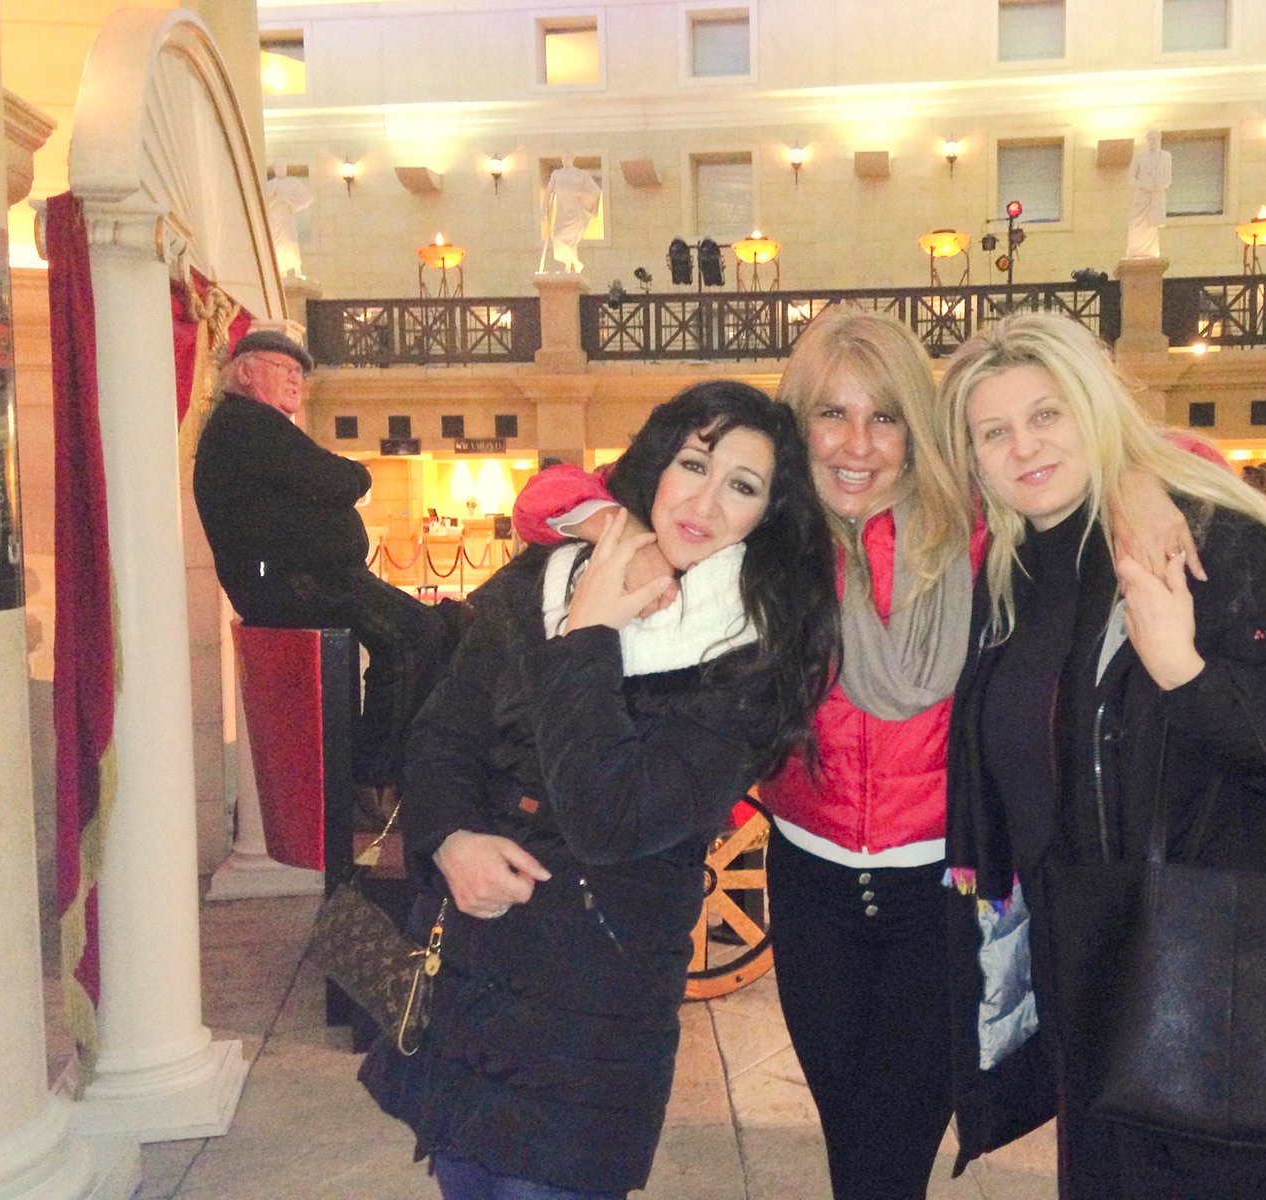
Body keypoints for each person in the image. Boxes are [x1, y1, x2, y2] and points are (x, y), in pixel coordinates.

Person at [510, 306, 1199, 1200]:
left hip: (942, 890)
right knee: (851, 1135)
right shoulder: (767, 535)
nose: (858, 445)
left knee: (888, 1151)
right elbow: (546, 496)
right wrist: (615, 526)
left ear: (918, 429)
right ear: (798, 424)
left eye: (885, 416)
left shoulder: (978, 523)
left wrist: (1136, 484)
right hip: (810, 887)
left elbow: (1165, 463)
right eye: (832, 413)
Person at [359, 381, 840, 1199]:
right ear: (657, 463)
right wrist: (450, 840)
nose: (705, 502)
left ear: (769, 514)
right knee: (464, 1176)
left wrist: (589, 634)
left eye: (743, 485)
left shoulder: (753, 646)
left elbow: (611, 816)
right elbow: (443, 733)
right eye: (695, 464)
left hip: (592, 998)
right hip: (469, 967)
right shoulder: (548, 577)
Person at [934, 312, 1266, 1198]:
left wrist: (1184, 672)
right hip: (1083, 968)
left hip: (1213, 968)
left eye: (1046, 415)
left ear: (1093, 409)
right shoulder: (1004, 577)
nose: (1024, 447)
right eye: (994, 432)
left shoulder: (1206, 539)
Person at [192, 329, 452, 803]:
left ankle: (386, 766)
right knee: (414, 632)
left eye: (300, 373)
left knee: (433, 627)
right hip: (292, 581)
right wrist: (355, 474)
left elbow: (318, 478)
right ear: (246, 372)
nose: (296, 380)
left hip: (306, 577)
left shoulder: (256, 427)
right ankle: (374, 773)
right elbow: (337, 478)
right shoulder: (249, 424)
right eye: (285, 369)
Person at [541, 155, 603, 274]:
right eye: (564, 158)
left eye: (568, 157)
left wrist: (579, 193)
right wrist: (543, 209)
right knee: (557, 237)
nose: (566, 160)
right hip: (562, 213)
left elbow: (595, 191)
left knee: (571, 242)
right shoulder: (556, 174)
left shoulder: (581, 174)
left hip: (575, 213)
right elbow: (548, 192)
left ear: (573, 159)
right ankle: (576, 264)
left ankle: (570, 268)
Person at [1125, 130, 1171, 259]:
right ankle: (1135, 249)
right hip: (1141, 196)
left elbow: (1168, 179)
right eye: (1150, 139)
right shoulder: (1139, 157)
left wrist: (1159, 187)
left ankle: (1150, 250)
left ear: (1159, 139)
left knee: (1152, 224)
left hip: (1156, 196)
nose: (1152, 142)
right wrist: (1145, 186)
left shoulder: (1166, 157)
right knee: (1136, 222)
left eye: (1154, 139)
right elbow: (1131, 179)